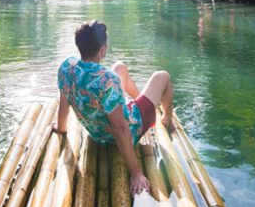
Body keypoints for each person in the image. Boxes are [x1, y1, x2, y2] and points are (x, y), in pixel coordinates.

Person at [54, 20, 175, 195]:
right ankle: (166, 118)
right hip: (126, 130)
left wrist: (61, 128)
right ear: (102, 50)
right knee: (162, 76)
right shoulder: (108, 81)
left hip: (96, 132)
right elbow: (120, 129)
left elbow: (63, 104)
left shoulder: (66, 67)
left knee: (119, 67)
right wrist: (136, 173)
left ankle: (140, 100)